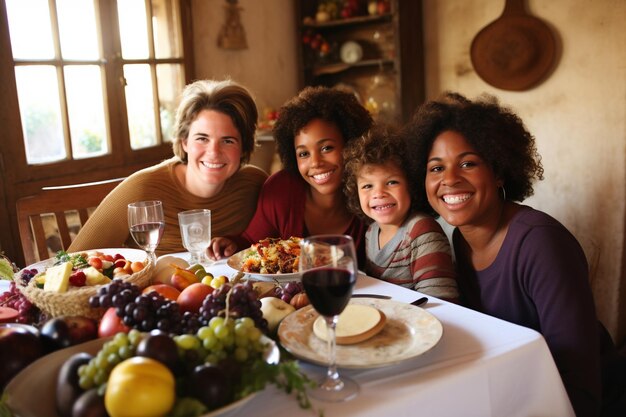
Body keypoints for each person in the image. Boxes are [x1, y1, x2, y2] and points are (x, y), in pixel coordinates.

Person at [406, 92, 625, 417]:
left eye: (468, 163)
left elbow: (579, 384)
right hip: (513, 388)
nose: (449, 179)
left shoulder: (541, 244)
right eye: (436, 168)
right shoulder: (458, 238)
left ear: (498, 172)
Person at [69, 79, 267, 256]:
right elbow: (72, 262)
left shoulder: (255, 185)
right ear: (184, 142)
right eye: (202, 138)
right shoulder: (141, 189)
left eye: (228, 141)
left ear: (244, 147)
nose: (214, 152)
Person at [207, 86, 373, 263]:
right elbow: (250, 243)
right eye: (303, 154)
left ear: (351, 144)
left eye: (326, 148)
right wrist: (231, 244)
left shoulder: (372, 191)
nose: (315, 163)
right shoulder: (282, 190)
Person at [342, 124, 458, 301]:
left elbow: (441, 302)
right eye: (367, 186)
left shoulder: (422, 231)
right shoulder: (371, 232)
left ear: (411, 185)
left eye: (391, 182)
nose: (379, 193)